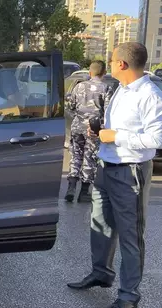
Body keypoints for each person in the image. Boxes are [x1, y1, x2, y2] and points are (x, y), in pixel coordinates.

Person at [67, 42, 162, 308]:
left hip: (130, 171)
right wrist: (102, 132)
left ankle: (129, 296)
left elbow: (157, 139)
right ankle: (101, 273)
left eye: (111, 61)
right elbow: (120, 129)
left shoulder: (150, 95)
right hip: (106, 166)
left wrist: (116, 136)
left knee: (131, 235)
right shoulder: (121, 88)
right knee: (101, 223)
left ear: (121, 64)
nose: (108, 65)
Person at [64, 60, 114, 203]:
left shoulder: (79, 87)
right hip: (94, 129)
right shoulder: (106, 88)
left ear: (90, 72)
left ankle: (71, 188)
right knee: (89, 158)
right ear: (104, 73)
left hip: (77, 127)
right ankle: (84, 192)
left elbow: (71, 106)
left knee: (75, 156)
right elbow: (109, 112)